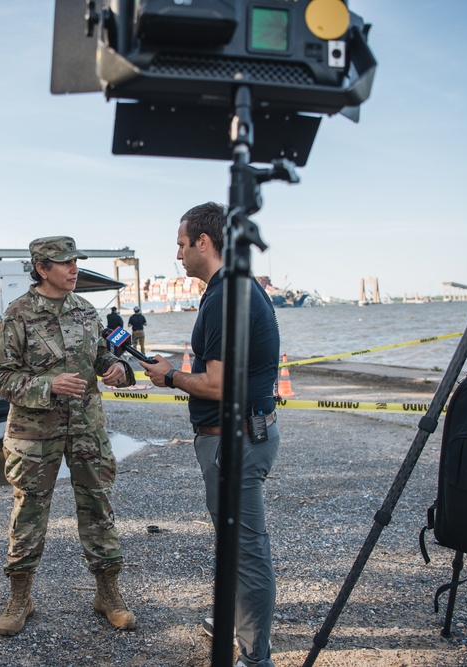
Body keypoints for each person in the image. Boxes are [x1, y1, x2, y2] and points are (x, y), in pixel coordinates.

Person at [140, 203, 280, 667]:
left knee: (246, 549)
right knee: (233, 540)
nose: (177, 254)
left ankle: (255, 657)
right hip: (236, 435)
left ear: (204, 241)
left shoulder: (225, 297)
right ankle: (237, 621)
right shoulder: (231, 288)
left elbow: (220, 385)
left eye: (182, 244)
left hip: (234, 440)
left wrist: (171, 377)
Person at [0, 236, 137, 636]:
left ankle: (108, 593)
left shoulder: (86, 311)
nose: (74, 268)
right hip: (35, 434)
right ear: (42, 268)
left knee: (98, 508)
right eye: (65, 263)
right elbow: (0, 377)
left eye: (75, 261)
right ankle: (21, 597)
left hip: (87, 428)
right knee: (29, 512)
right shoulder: (17, 315)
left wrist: (117, 369)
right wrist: (48, 386)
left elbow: (103, 355)